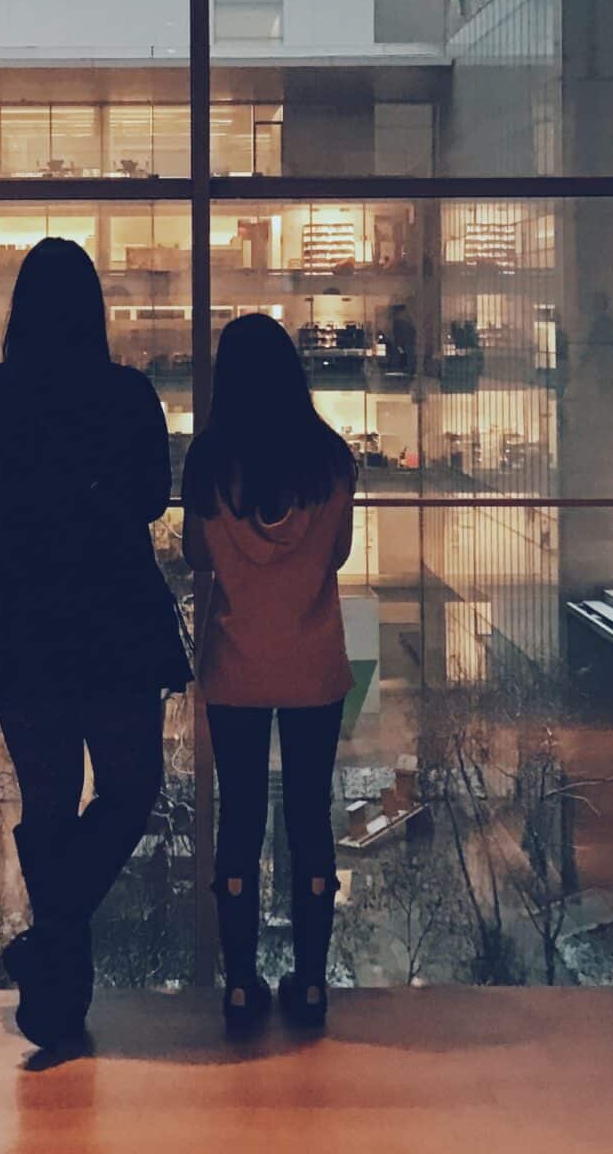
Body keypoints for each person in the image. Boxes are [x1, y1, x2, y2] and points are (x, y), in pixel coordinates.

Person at [0, 238, 190, 1050]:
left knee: (48, 799)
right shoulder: (125, 396)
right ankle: (56, 959)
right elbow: (153, 497)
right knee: (130, 785)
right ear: (94, 310)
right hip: (110, 616)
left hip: (21, 621)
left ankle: (58, 990)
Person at [183, 312, 355, 1033]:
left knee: (240, 820)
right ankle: (311, 983)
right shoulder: (331, 461)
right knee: (310, 817)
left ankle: (241, 984)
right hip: (314, 664)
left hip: (236, 667)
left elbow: (196, 556)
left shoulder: (207, 464)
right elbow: (339, 554)